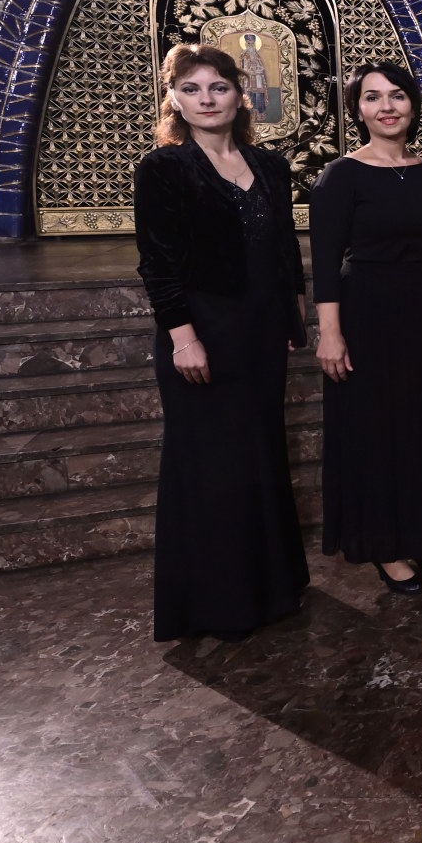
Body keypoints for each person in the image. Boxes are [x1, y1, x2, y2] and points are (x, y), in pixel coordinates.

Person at [134, 44, 307, 642]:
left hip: (260, 334)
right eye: (192, 89)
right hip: (202, 333)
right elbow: (157, 264)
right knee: (211, 467)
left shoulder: (271, 165)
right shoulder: (164, 168)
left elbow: (283, 249)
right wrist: (182, 339)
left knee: (260, 455)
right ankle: (219, 605)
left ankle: (273, 589)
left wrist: (293, 319)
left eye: (218, 87)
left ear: (241, 95)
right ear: (175, 100)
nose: (206, 100)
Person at [310, 61, 422, 596]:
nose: (387, 106)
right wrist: (330, 332)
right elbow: (325, 262)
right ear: (358, 110)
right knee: (377, 432)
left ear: (413, 104)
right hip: (368, 315)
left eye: (396, 95)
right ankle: (385, 546)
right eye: (373, 97)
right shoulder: (341, 175)